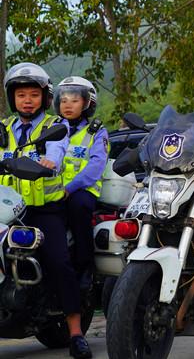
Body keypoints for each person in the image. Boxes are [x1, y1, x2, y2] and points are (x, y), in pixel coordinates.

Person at [1, 63, 91, 358]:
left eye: (33, 95)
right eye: (21, 94)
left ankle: (76, 332)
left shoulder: (55, 126)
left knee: (59, 263)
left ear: (45, 97)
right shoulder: (3, 128)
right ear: (11, 98)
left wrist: (48, 162)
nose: (27, 100)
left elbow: (56, 149)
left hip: (44, 211)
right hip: (8, 210)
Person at [55, 77, 110, 290]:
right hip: (52, 190)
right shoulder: (50, 128)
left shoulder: (96, 132)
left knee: (78, 208)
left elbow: (96, 166)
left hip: (82, 190)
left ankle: (85, 267)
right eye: (64, 100)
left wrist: (70, 188)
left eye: (75, 100)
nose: (68, 105)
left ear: (88, 103)